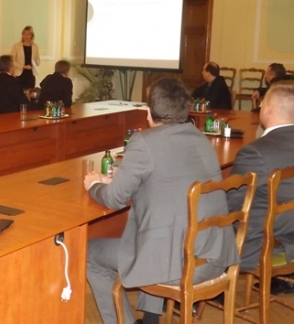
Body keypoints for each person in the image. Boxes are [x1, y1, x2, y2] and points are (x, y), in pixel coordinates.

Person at [83, 77, 239, 324]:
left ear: (148, 112)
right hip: (215, 255)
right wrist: (119, 180)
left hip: (179, 264)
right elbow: (166, 183)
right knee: (156, 230)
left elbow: (114, 199)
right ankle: (151, 319)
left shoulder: (144, 142)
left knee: (90, 252)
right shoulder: (200, 138)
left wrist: (94, 185)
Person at [227, 81, 294, 282]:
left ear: (268, 109)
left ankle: (204, 289)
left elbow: (229, 203)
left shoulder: (255, 152)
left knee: (196, 223)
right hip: (288, 235)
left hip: (261, 244)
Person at [11, 25, 41, 90]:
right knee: (19, 92)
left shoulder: (35, 46)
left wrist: (35, 63)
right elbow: (12, 60)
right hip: (19, 74)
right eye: (24, 34)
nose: (26, 36)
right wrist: (23, 66)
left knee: (30, 92)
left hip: (31, 74)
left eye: (28, 34)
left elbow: (38, 60)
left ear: (32, 36)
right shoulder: (17, 46)